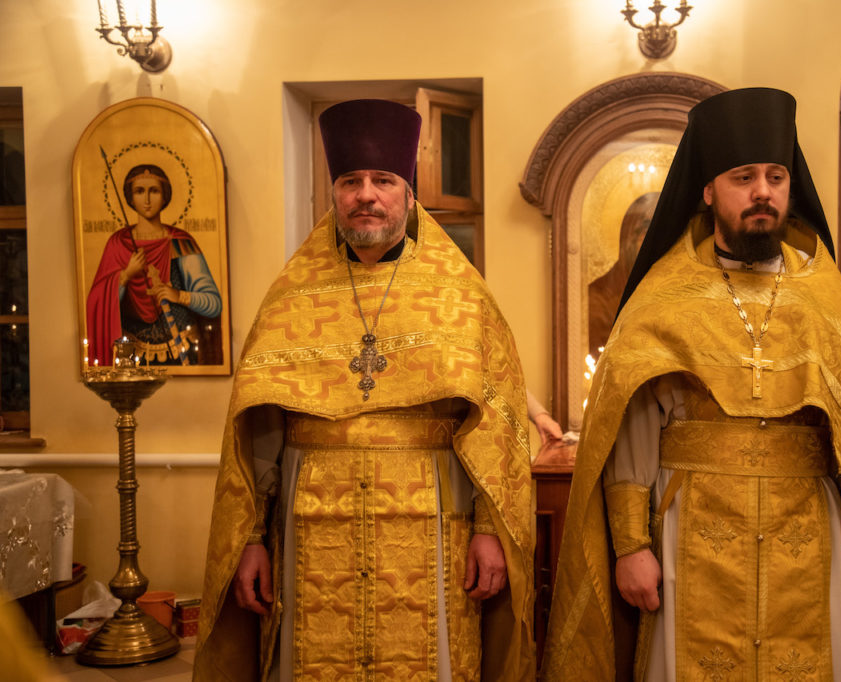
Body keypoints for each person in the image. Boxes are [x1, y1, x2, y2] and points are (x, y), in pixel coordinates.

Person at [542, 88, 841, 681]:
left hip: (810, 534)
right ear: (708, 191)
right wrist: (631, 546)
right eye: (744, 178)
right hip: (690, 533)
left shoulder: (824, 294)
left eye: (776, 177)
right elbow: (632, 428)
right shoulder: (663, 297)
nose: (762, 191)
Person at [194, 99, 534, 681]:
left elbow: (495, 427)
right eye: (351, 181)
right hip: (307, 524)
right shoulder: (291, 297)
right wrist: (250, 538)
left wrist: (487, 532)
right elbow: (259, 431)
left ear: (409, 196)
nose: (366, 195)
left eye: (383, 180)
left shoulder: (461, 295)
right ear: (334, 194)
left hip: (433, 525)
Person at [86, 164, 223, 366]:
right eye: (139, 191)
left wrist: (179, 296)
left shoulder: (180, 242)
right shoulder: (118, 243)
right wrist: (125, 275)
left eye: (154, 191)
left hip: (180, 350)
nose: (147, 200)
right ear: (130, 198)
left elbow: (214, 304)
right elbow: (96, 303)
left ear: (165, 196)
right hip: (131, 355)